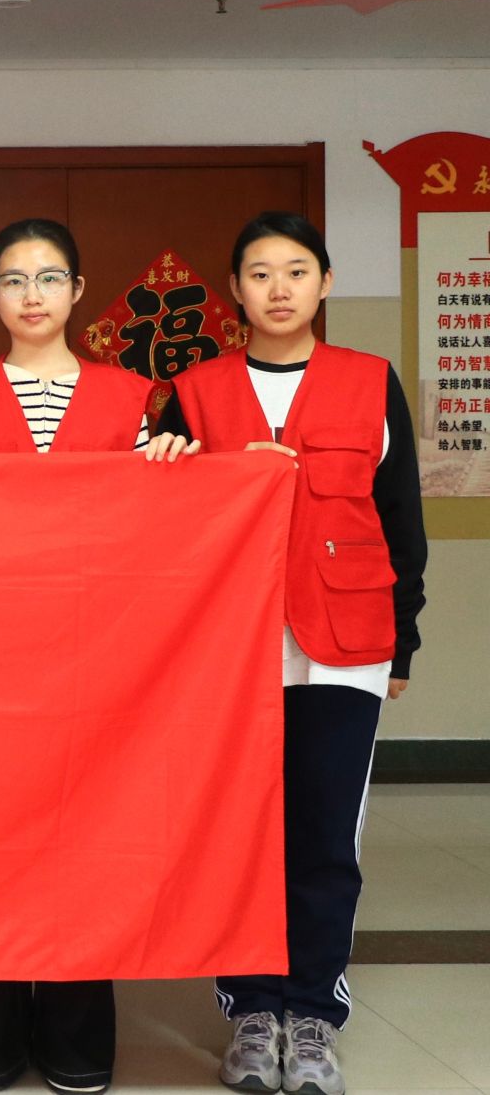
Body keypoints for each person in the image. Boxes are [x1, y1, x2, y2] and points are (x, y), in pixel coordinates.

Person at [161, 212, 426, 1095]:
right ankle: (249, 1009)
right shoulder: (195, 390)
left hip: (344, 643)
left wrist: (403, 643)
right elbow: (154, 515)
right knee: (239, 836)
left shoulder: (370, 381)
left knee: (325, 835)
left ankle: (313, 1011)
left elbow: (401, 518)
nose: (279, 287)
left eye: (297, 269)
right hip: (226, 650)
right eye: (260, 272)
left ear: (325, 282)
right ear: (235, 290)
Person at [0, 217, 195, 1095]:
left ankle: (78, 1028)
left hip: (99, 663)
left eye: (49, 278)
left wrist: (178, 465)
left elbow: (162, 529)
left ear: (79, 291)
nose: (32, 295)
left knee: (89, 842)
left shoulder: (134, 400)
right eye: (13, 279)